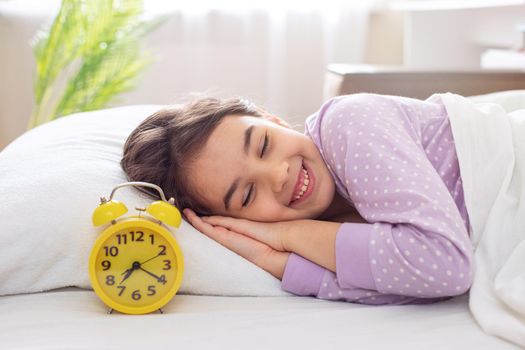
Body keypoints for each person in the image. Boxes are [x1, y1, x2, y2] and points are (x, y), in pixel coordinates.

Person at [120, 93, 475, 305]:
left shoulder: (348, 123)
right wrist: (274, 260)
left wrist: (285, 236)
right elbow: (420, 286)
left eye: (263, 144)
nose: (278, 175)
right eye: (247, 194)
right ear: (239, 223)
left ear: (272, 119)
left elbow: (443, 266)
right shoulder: (327, 232)